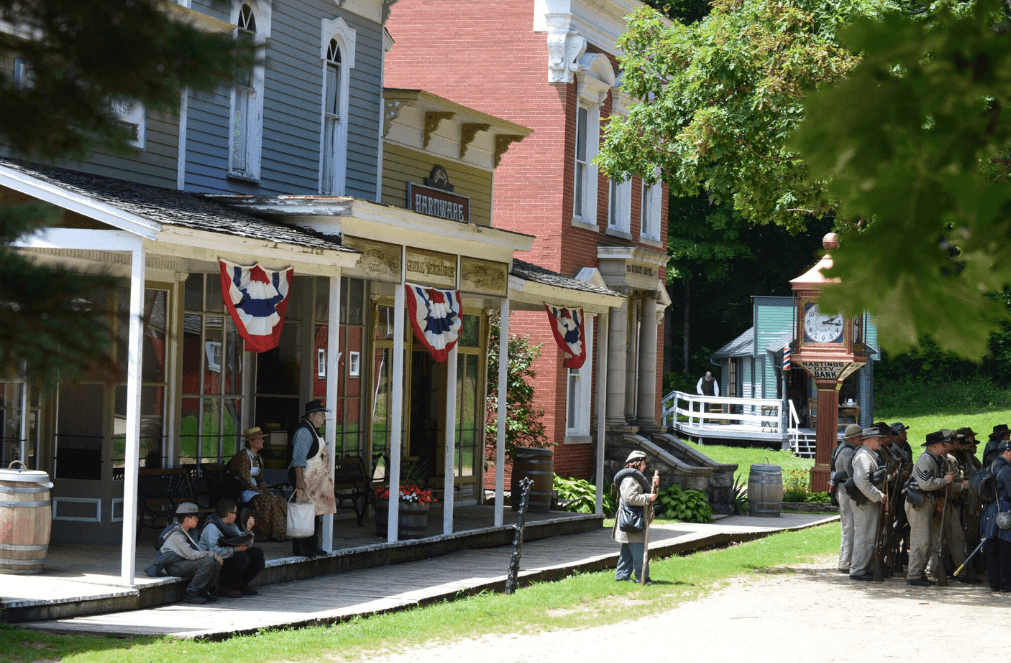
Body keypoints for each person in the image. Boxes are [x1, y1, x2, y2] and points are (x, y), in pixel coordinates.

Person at [905, 430, 961, 587]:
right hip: (919, 502)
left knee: (927, 541)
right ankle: (914, 575)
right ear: (935, 445)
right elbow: (926, 484)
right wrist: (945, 480)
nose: (947, 447)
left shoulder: (938, 459)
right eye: (944, 444)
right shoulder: (926, 460)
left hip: (927, 501)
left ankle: (919, 573)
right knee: (921, 541)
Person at [288, 399, 336, 557]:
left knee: (314, 514)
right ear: (312, 415)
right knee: (303, 514)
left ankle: (312, 546)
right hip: (305, 480)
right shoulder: (304, 432)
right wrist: (300, 482)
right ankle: (301, 548)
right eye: (321, 414)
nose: (323, 418)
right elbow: (298, 460)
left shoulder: (314, 430)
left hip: (315, 483)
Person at [229, 426, 289, 541]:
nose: (262, 441)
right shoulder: (243, 457)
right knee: (267, 500)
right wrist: (260, 493)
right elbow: (245, 480)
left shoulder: (258, 458)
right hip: (242, 490)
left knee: (279, 500)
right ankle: (262, 532)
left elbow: (260, 479)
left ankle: (278, 533)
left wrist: (266, 491)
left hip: (254, 489)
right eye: (259, 439)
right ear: (251, 442)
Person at [158, 502, 223, 604]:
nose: (197, 519)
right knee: (208, 562)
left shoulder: (188, 531)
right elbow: (191, 555)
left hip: (184, 562)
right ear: (187, 519)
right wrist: (212, 554)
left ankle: (203, 591)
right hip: (174, 566)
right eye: (195, 517)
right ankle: (190, 593)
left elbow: (197, 550)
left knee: (215, 563)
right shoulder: (177, 535)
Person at [611, 450, 659, 584]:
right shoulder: (629, 480)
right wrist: (647, 497)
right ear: (636, 464)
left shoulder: (635, 479)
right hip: (632, 522)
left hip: (633, 522)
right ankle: (642, 577)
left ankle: (622, 576)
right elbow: (629, 498)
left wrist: (655, 486)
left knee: (627, 551)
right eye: (643, 464)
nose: (644, 467)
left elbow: (649, 496)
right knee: (638, 551)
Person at [200, 498, 264, 597]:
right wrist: (235, 550)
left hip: (229, 555)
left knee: (257, 553)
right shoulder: (211, 528)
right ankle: (224, 585)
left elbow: (245, 543)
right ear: (229, 514)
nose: (236, 515)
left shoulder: (231, 526)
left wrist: (248, 530)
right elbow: (214, 551)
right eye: (235, 512)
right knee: (242, 557)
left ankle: (240, 584)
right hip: (216, 560)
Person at [848, 427, 887, 581]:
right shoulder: (864, 456)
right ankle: (858, 570)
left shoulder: (870, 455)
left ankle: (865, 568)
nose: (881, 442)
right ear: (868, 440)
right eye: (878, 439)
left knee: (869, 536)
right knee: (864, 536)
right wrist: (878, 496)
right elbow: (861, 481)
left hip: (869, 501)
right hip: (865, 501)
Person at [980, 439, 1011, 591]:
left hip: (990, 512)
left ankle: (994, 583)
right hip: (1004, 511)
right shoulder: (1006, 470)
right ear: (1007, 452)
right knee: (1006, 549)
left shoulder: (991, 465)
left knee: (992, 549)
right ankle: (1005, 584)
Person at [832, 424, 862, 574]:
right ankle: (845, 562)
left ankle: (847, 561)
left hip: (844, 489)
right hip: (845, 490)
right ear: (855, 438)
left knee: (849, 526)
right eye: (860, 438)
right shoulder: (847, 451)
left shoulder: (842, 448)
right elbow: (851, 473)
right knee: (849, 527)